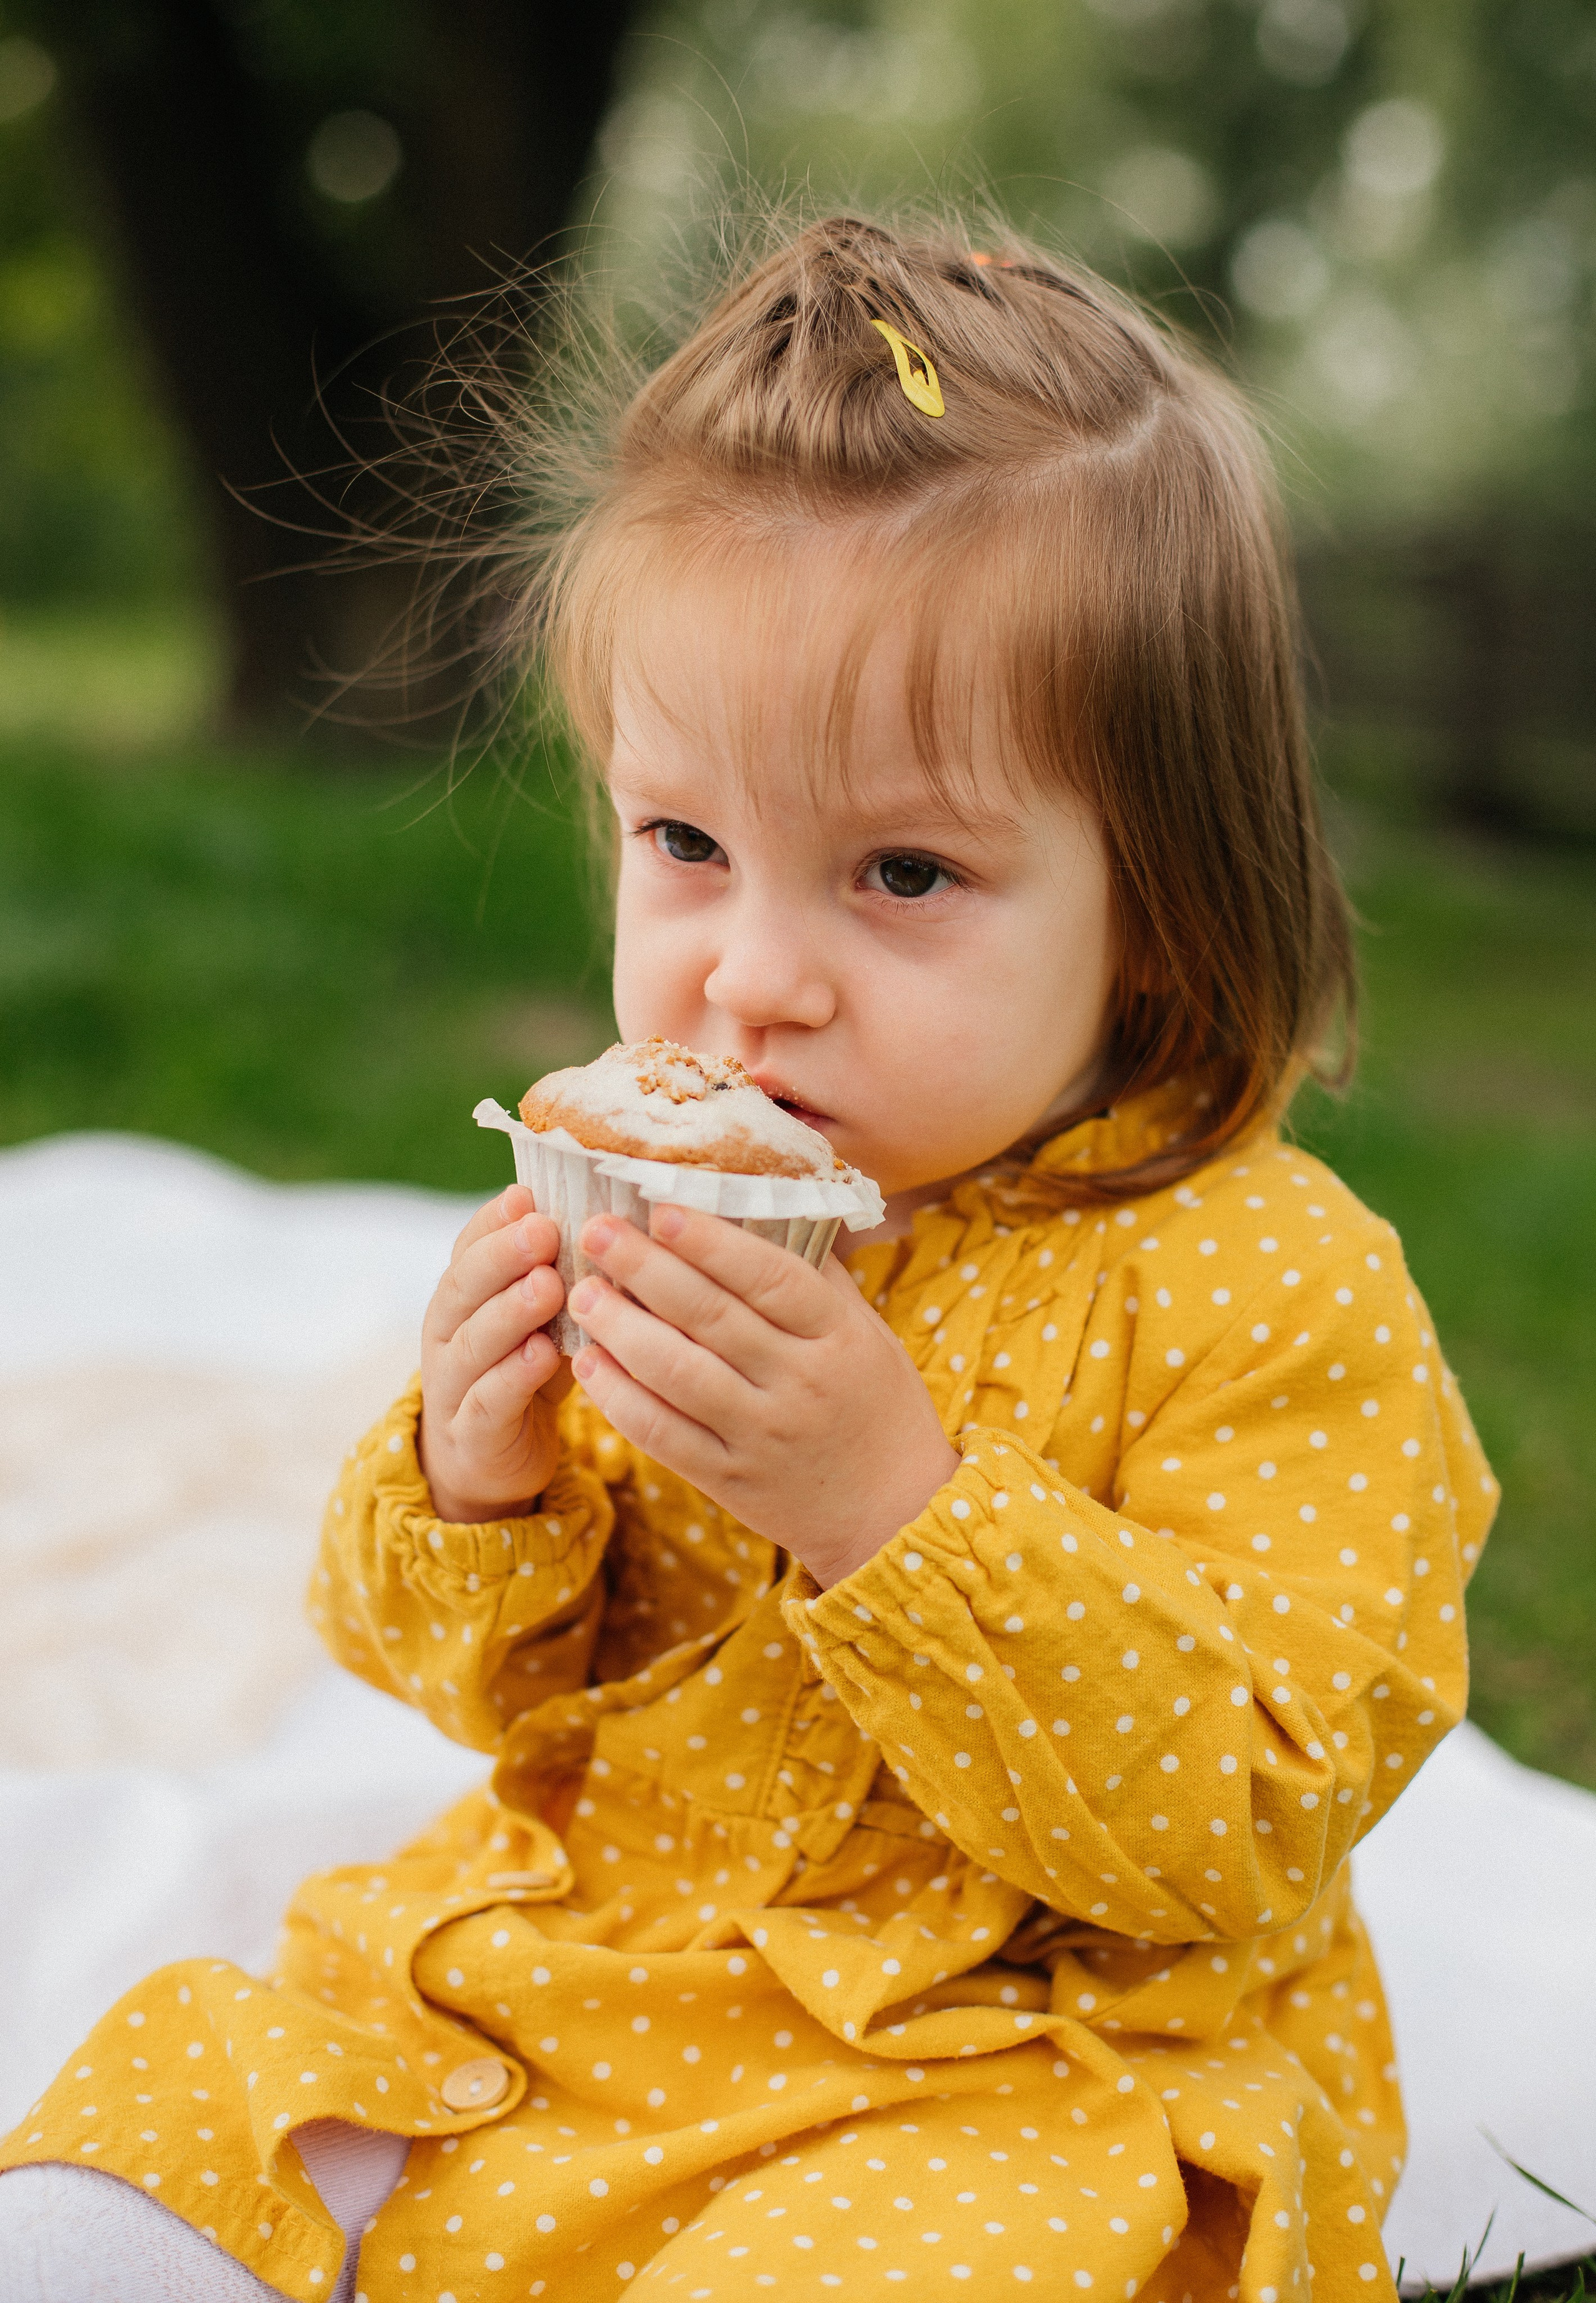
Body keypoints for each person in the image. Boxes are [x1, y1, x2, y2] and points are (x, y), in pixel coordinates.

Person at [0, 210, 1496, 2303]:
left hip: (1005, 2060)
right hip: (591, 1967)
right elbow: (460, 1682)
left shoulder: (1271, 1289)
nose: (753, 983)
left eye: (902, 872)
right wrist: (472, 1473)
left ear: (1152, 906)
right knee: (158, 2138)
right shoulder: (644, 1195)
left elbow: (1251, 1818)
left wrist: (895, 1511)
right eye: (686, 844)